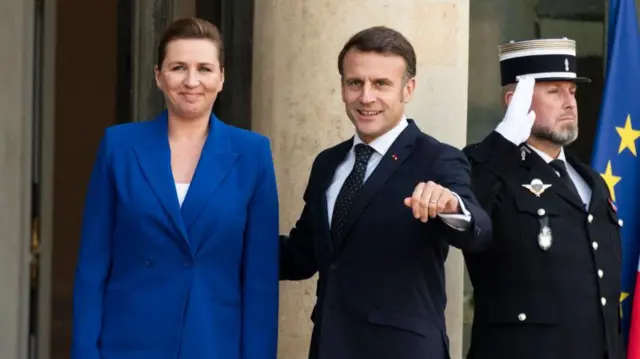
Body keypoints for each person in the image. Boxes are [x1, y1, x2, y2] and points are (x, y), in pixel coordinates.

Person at [279, 26, 492, 359]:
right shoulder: (327, 163)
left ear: (408, 89)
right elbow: (302, 255)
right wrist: (229, 243)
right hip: (329, 348)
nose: (366, 97)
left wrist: (452, 206)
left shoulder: (438, 159)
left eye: (381, 84)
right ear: (342, 88)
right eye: (355, 83)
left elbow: (479, 229)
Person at [71, 18, 279, 359]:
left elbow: (260, 280)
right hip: (127, 342)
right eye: (178, 67)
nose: (191, 81)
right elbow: (93, 265)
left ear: (222, 78)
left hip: (213, 343)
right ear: (158, 76)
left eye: (205, 68)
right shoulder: (119, 146)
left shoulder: (252, 154)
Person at [460, 38, 623, 359]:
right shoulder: (486, 167)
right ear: (513, 101)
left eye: (572, 91)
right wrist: (504, 140)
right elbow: (466, 210)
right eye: (554, 91)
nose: (569, 103)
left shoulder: (590, 180)